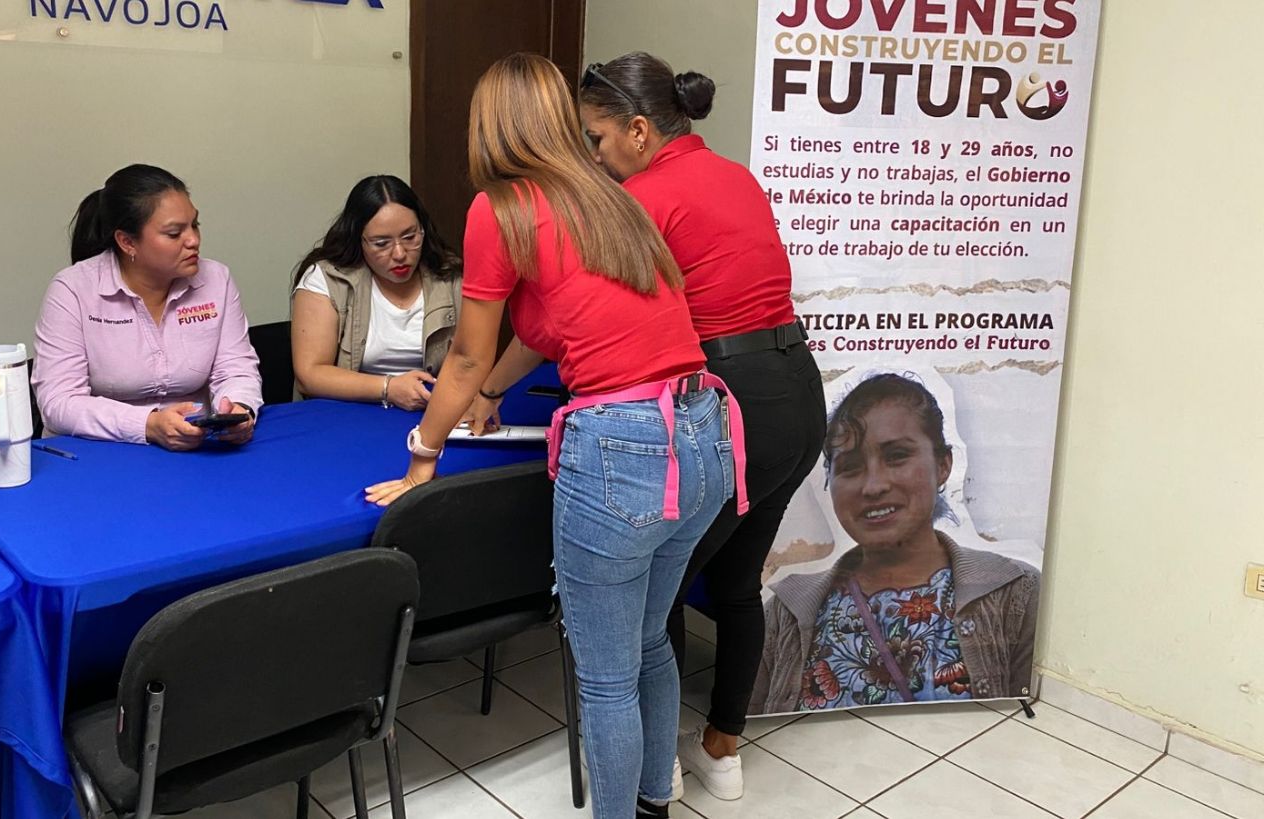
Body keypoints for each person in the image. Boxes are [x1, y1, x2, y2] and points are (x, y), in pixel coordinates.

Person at [365, 54, 740, 819]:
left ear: (488, 125)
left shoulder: (500, 207)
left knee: (606, 677)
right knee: (649, 642)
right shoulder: (609, 196)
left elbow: (464, 355)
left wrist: (423, 454)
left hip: (624, 445)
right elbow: (542, 328)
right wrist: (488, 394)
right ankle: (653, 803)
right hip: (705, 433)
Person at [571, 51, 826, 801]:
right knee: (736, 578)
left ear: (638, 130)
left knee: (664, 584)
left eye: (597, 138)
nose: (595, 156)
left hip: (733, 398)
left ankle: (661, 765)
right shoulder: (736, 176)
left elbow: (603, 312)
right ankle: (722, 748)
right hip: (797, 392)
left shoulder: (644, 197)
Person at [749, 373, 1041, 713]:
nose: (873, 486)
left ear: (943, 465)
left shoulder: (1015, 595)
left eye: (897, 456)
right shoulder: (785, 612)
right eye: (850, 467)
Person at [33, 164, 262, 450]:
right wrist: (147, 424)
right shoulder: (72, 290)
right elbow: (58, 402)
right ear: (127, 242)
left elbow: (236, 368)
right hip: (98, 451)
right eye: (174, 233)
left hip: (194, 446)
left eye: (195, 225)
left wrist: (238, 408)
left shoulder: (216, 279)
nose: (193, 240)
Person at [290, 175, 462, 409]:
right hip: (350, 411)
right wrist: (389, 388)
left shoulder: (449, 275)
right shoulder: (327, 279)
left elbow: (470, 359)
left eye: (410, 237)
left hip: (432, 407)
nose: (400, 253)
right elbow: (309, 375)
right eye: (381, 243)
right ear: (358, 240)